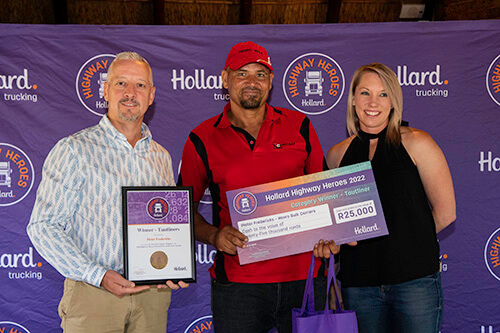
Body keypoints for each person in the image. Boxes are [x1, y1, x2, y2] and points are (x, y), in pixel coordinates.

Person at [27, 51, 187, 332]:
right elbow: (43, 227)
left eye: (140, 85)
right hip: (94, 295)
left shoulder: (161, 157)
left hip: (152, 296)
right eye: (121, 83)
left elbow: (164, 227)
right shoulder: (74, 149)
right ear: (105, 90)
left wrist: (171, 267)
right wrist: (97, 275)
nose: (130, 93)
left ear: (151, 95)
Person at [178, 41, 329, 333]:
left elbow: (325, 196)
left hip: (305, 279)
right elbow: (182, 212)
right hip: (238, 286)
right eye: (242, 73)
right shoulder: (201, 138)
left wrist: (335, 232)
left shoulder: (300, 126)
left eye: (260, 74)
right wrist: (214, 235)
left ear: (271, 82)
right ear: (225, 79)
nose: (251, 82)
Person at [320, 63, 456, 332]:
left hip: (414, 282)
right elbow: (334, 225)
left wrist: (403, 244)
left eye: (383, 94)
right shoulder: (336, 155)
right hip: (357, 286)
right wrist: (334, 278)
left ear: (394, 101)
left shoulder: (418, 143)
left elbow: (446, 213)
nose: (373, 102)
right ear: (353, 99)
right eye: (365, 93)